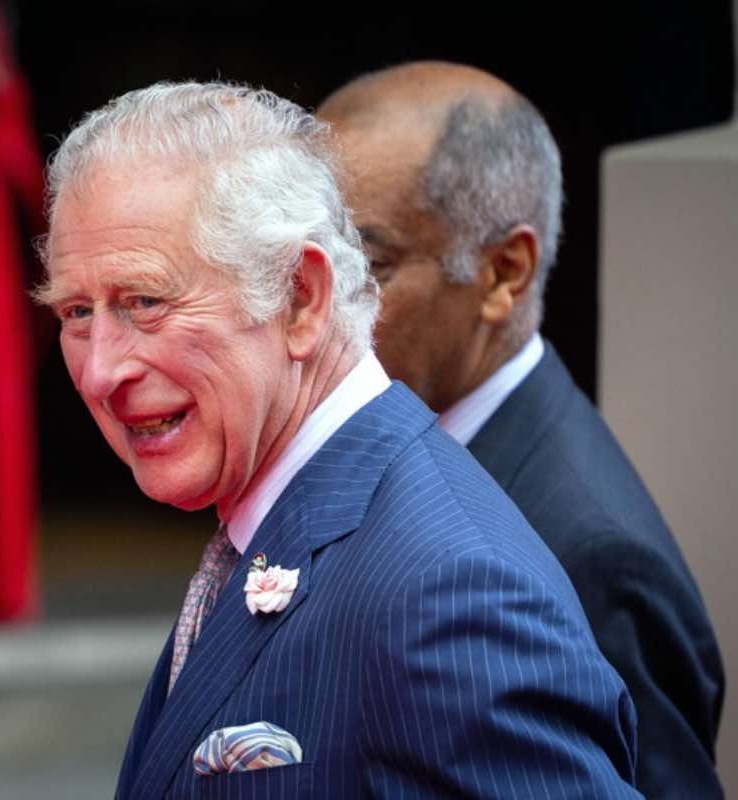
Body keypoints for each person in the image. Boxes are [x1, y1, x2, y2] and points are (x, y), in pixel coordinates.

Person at [36, 79, 640, 798]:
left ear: (301, 300)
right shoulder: (287, 525)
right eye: (77, 312)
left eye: (146, 301)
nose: (101, 371)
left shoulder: (449, 592)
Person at [318, 61, 724, 798]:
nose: (314, 309)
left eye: (368, 264)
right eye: (305, 261)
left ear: (504, 272)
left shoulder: (592, 556)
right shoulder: (377, 438)